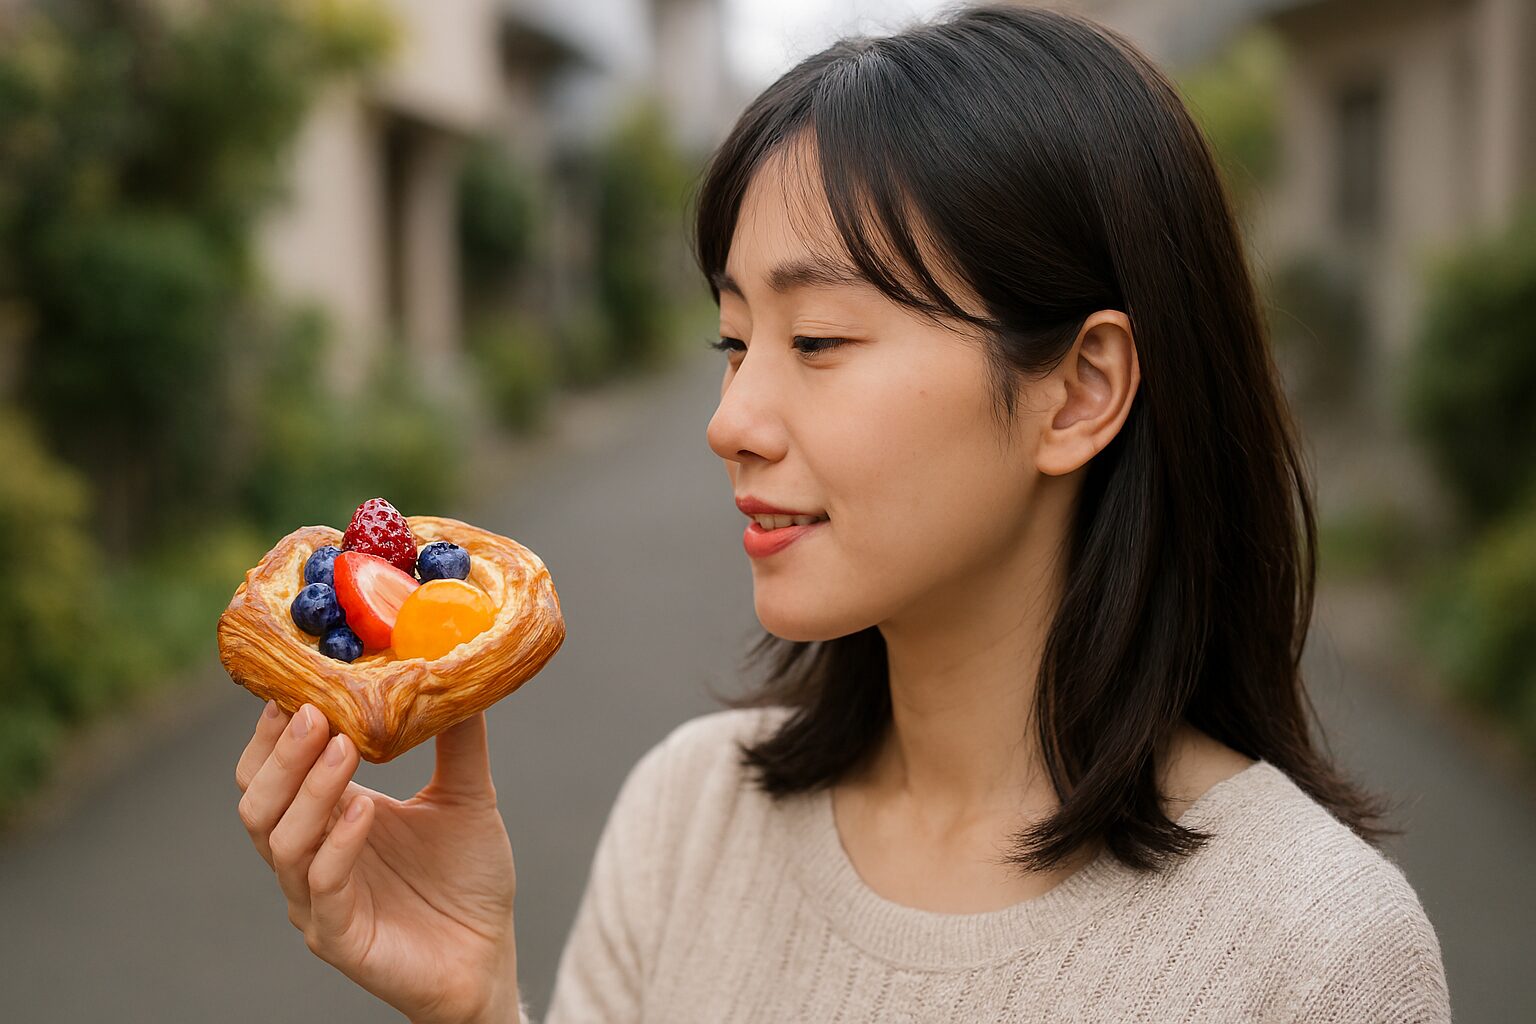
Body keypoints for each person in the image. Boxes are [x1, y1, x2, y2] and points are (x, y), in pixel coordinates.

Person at [232, 4, 1454, 1021]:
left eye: (817, 338)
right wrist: (476, 1005)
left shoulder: (1317, 954)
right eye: (732, 341)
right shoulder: (688, 819)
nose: (731, 419)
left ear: (1081, 390)